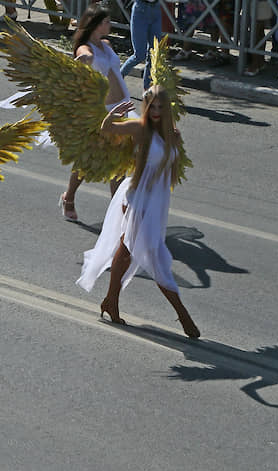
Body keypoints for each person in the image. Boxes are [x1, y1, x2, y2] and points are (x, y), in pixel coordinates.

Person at [76, 86, 200, 339]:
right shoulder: (139, 128)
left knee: (126, 251)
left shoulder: (172, 135)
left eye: (160, 107)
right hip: (137, 199)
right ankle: (183, 315)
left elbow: (169, 170)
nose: (155, 111)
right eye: (151, 106)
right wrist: (113, 116)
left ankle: (111, 300)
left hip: (156, 201)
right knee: (154, 255)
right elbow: (106, 130)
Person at [60, 4, 132, 221]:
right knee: (87, 160)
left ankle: (117, 212)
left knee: (119, 161)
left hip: (121, 109)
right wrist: (83, 61)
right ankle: (69, 197)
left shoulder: (107, 44)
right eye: (106, 22)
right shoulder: (85, 49)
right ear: (95, 24)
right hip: (101, 114)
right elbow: (83, 59)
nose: (110, 25)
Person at [120, 0, 163, 91]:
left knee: (154, 54)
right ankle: (119, 76)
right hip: (140, 9)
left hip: (156, 8)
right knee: (139, 55)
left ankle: (147, 90)